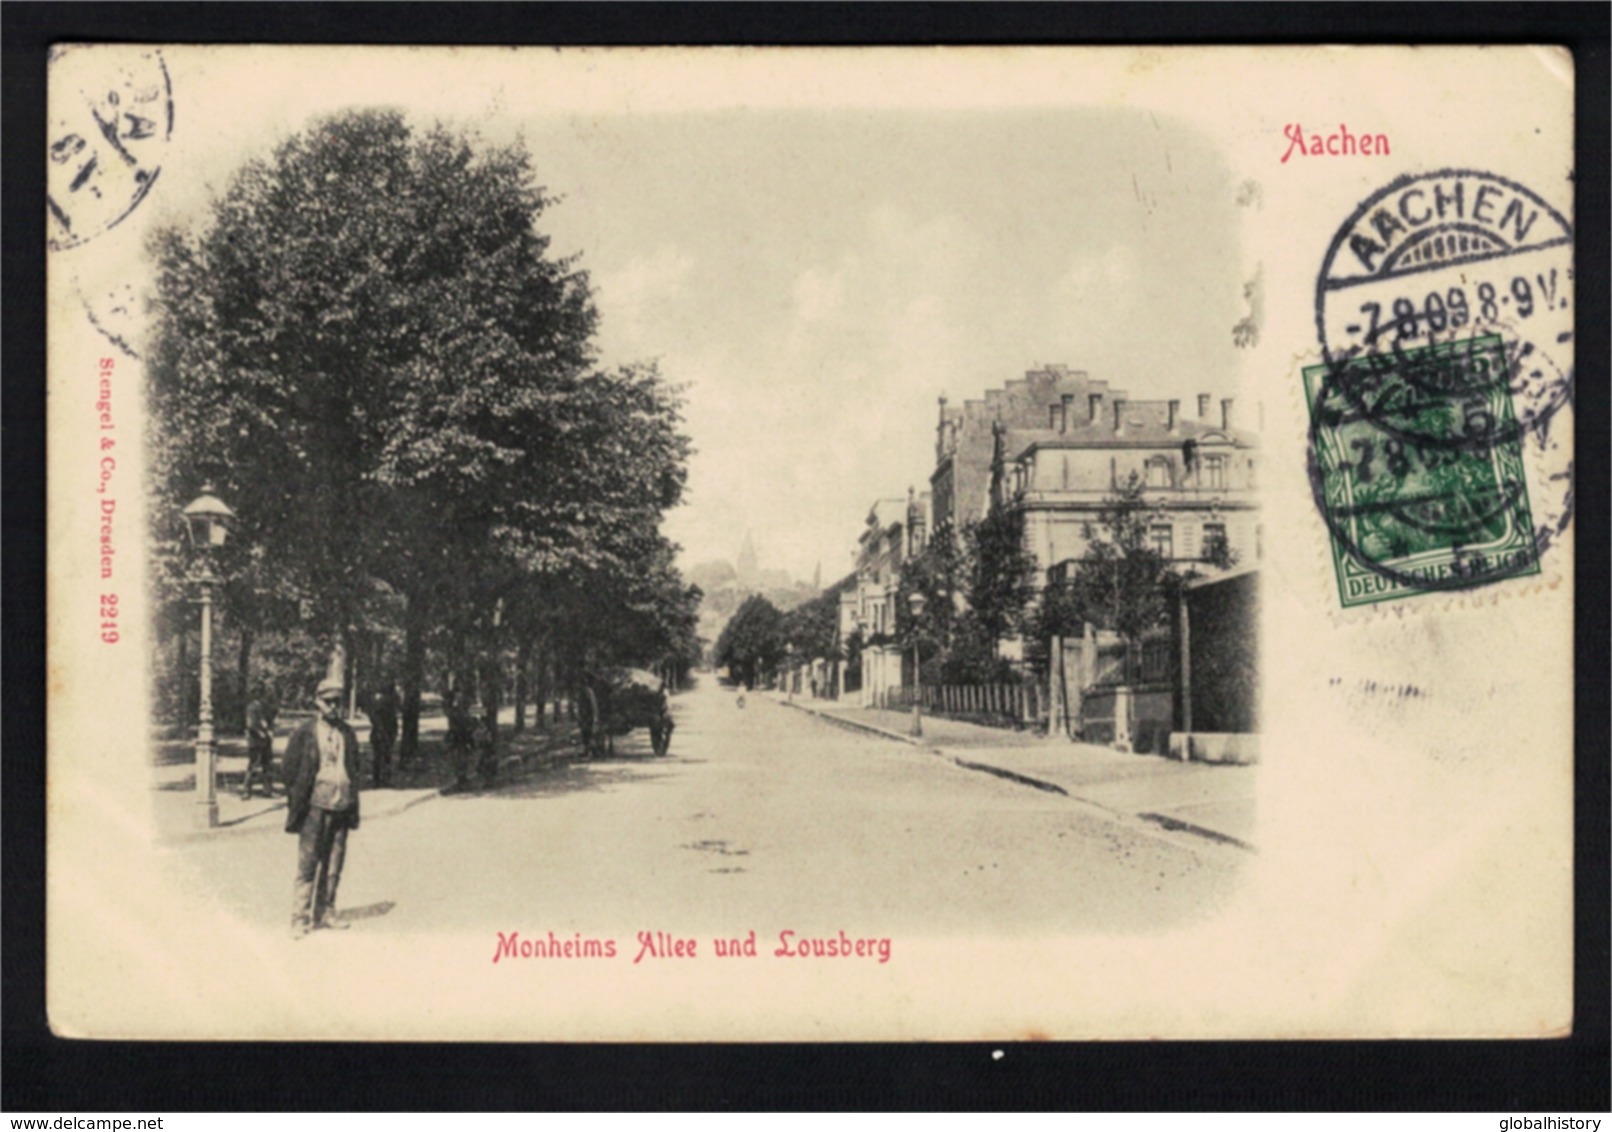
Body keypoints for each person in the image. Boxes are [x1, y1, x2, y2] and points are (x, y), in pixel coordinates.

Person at [283, 677, 361, 938]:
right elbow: (289, 769)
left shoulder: (347, 733)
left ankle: (325, 911)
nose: (333, 707)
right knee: (308, 864)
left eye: (338, 702)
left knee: (334, 864)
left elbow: (354, 767)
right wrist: (298, 799)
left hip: (342, 804)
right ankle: (299, 919)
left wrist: (351, 797)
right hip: (314, 807)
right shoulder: (305, 732)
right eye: (328, 701)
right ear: (317, 702)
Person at [240, 692, 277, 799]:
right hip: (255, 741)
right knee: (253, 766)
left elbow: (270, 722)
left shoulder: (266, 708)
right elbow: (250, 724)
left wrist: (271, 731)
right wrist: (262, 733)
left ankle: (267, 790)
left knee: (268, 765)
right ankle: (246, 791)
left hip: (266, 741)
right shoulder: (252, 708)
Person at [367, 683, 399, 789]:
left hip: (383, 732)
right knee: (383, 757)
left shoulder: (381, 700)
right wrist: (381, 729)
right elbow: (374, 717)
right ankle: (381, 780)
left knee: (382, 757)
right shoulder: (384, 701)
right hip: (382, 733)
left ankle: (381, 780)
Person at [443, 690, 476, 791]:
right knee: (459, 757)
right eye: (459, 700)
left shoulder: (464, 712)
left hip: (464, 737)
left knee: (464, 757)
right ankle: (460, 778)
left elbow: (470, 723)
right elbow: (456, 724)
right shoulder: (455, 712)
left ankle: (463, 777)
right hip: (457, 737)